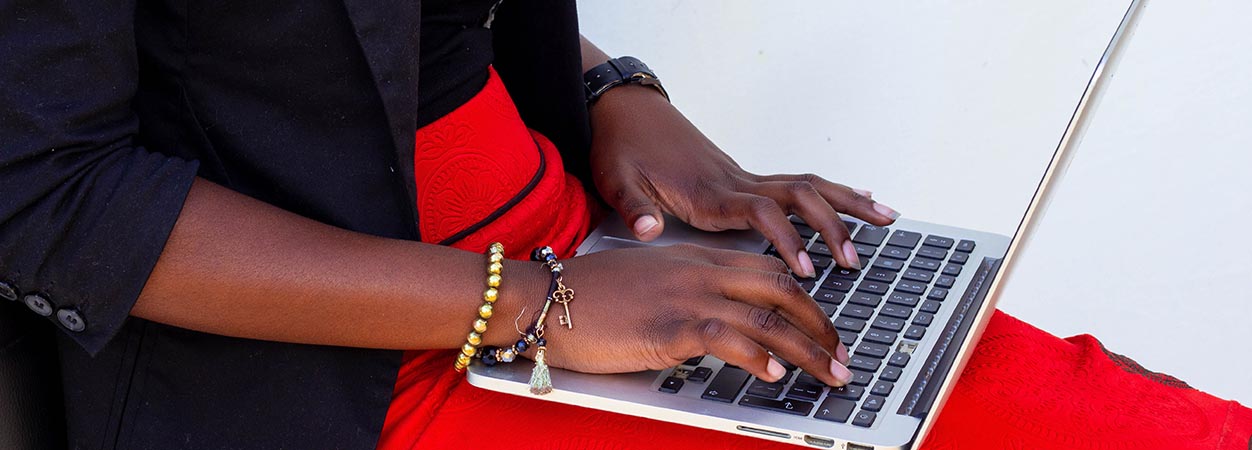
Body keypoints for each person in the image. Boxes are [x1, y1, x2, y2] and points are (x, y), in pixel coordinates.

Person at [0, 1, 1247, 449]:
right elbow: (48, 194)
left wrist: (617, 98)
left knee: (1146, 424)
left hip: (589, 251)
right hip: (351, 370)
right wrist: (535, 304)